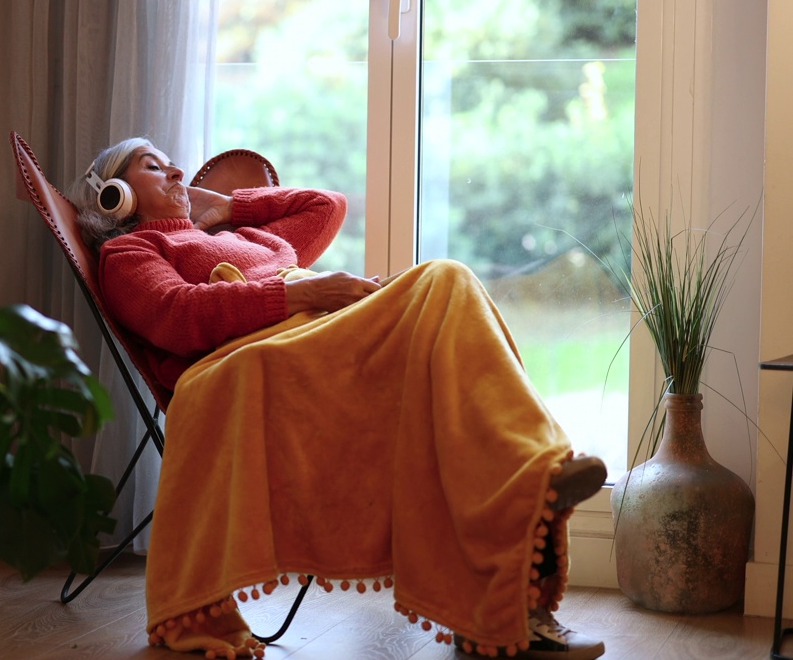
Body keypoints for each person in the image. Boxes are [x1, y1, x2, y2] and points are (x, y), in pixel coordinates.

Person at [65, 137, 609, 660]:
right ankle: (532, 466)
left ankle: (520, 497)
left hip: (323, 338)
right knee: (445, 280)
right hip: (266, 357)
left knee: (449, 303)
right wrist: (308, 291)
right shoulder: (130, 250)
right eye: (152, 167)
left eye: (170, 162)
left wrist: (229, 205)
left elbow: (325, 207)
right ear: (116, 196)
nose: (178, 171)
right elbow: (180, 315)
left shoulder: (248, 239)